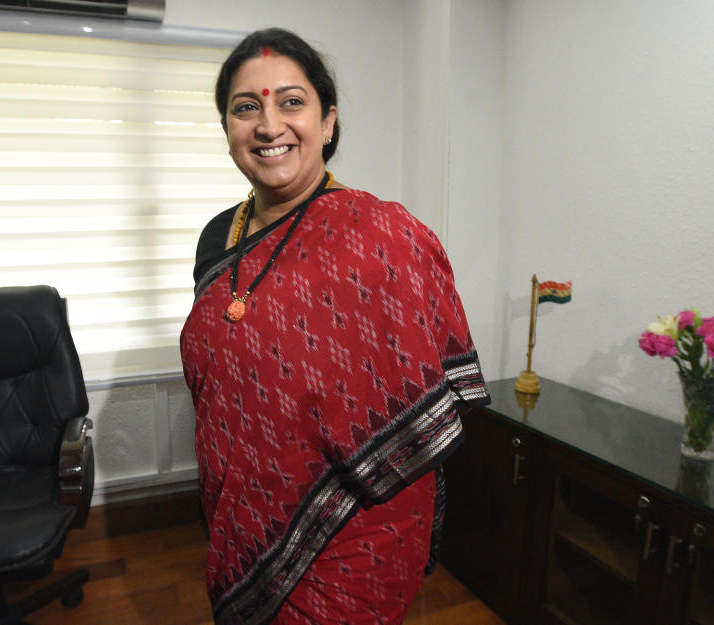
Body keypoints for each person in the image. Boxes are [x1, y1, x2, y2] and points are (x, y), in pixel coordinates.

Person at [180, 28, 489, 625]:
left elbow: (414, 407)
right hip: (238, 506)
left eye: (291, 102)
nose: (269, 126)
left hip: (357, 522)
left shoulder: (383, 237)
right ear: (228, 131)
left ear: (328, 121)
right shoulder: (217, 236)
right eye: (247, 108)